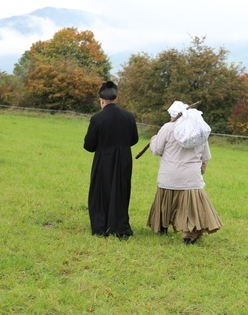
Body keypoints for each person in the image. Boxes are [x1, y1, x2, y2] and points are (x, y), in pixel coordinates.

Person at [146, 100, 222, 244]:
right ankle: (190, 234)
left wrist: (153, 140)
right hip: (191, 178)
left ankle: (162, 226)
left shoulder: (167, 128)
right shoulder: (199, 130)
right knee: (192, 207)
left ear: (174, 115)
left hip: (169, 175)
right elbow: (205, 156)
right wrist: (202, 169)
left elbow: (156, 150)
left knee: (165, 200)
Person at [83, 81, 139, 239]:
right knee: (121, 191)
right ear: (116, 98)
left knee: (101, 191)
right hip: (124, 160)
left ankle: (101, 227)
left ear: (101, 100)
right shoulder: (128, 116)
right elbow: (134, 139)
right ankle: (120, 226)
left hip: (104, 159)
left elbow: (89, 145)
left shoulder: (97, 119)